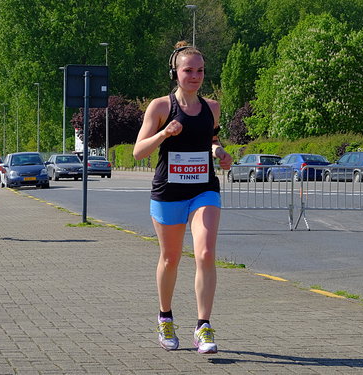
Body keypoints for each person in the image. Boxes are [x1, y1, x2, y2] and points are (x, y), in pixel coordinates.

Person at [133, 41, 232, 354]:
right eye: (189, 70)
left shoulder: (212, 107)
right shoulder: (160, 107)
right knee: (170, 258)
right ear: (175, 72)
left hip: (204, 188)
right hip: (169, 191)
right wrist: (164, 133)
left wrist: (219, 152)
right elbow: (138, 152)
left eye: (200, 70)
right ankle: (165, 317)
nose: (195, 75)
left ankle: (203, 327)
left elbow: (211, 140)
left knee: (204, 254)